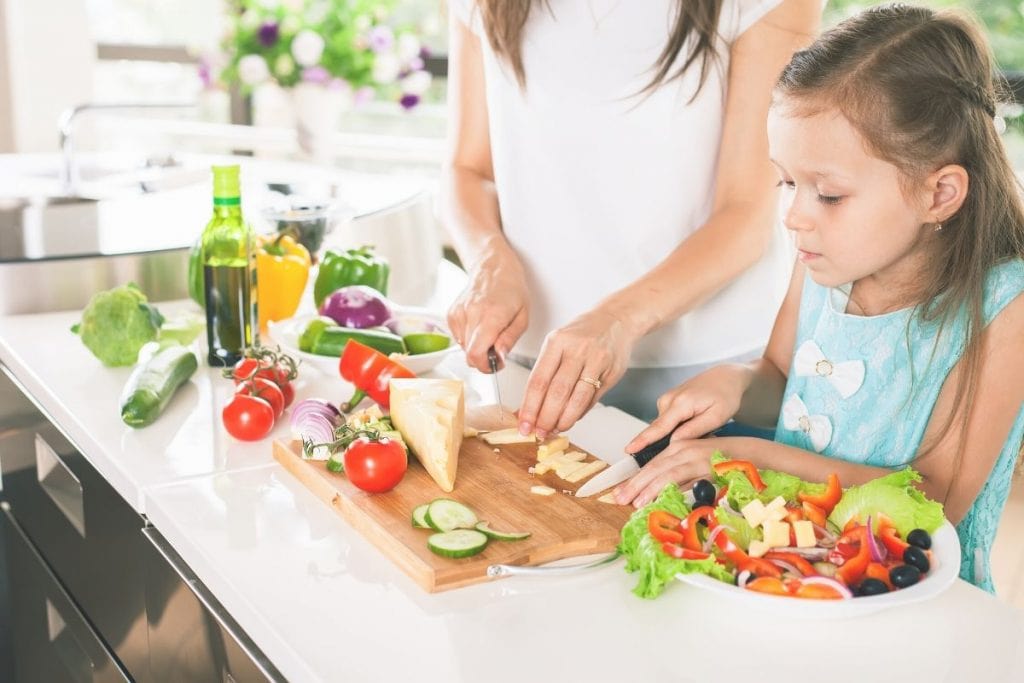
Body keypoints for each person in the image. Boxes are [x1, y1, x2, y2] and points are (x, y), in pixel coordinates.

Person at [615, 3, 1024, 591]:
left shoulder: (1002, 308)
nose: (795, 216)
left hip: (908, 599)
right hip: (789, 568)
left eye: (828, 195)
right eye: (786, 182)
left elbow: (934, 500)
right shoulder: (826, 260)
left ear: (939, 194)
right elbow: (780, 372)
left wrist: (747, 458)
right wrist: (736, 383)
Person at [442, 0, 822, 438]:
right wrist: (490, 263)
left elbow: (746, 213)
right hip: (530, 366)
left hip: (706, 379)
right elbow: (466, 170)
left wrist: (618, 320)